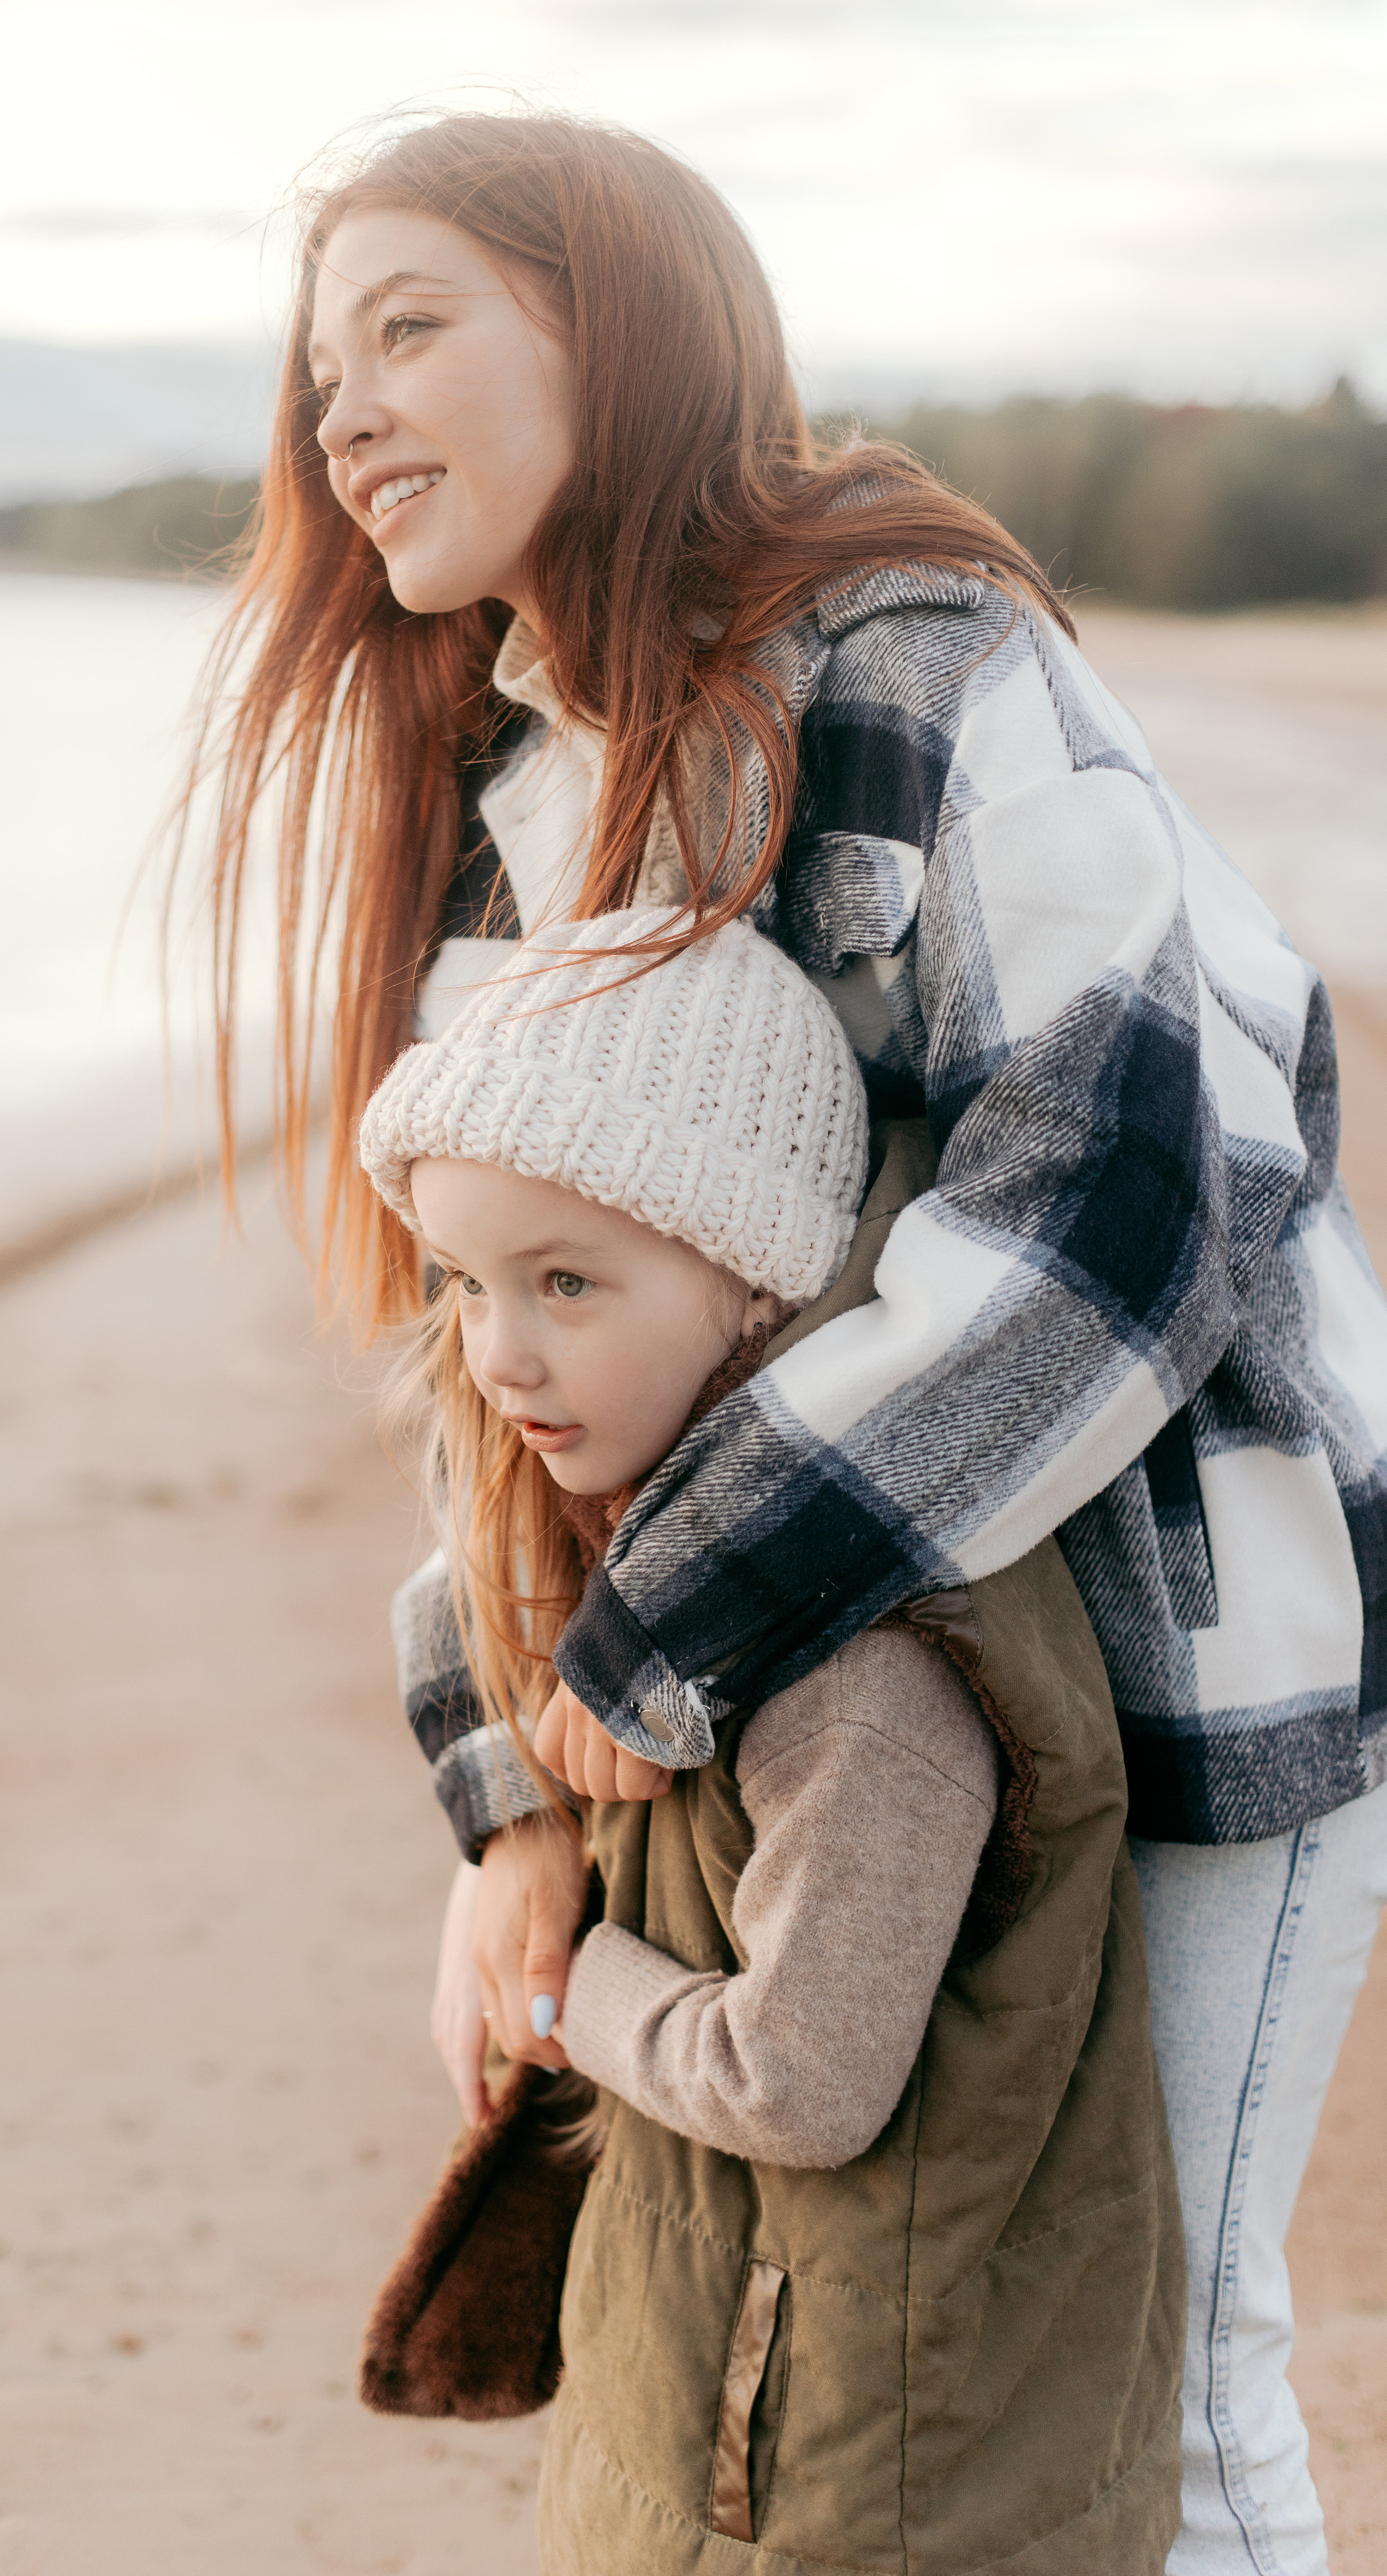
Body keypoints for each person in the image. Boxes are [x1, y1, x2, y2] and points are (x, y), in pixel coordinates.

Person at [197, 109, 1387, 2573]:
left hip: (1192, 1657)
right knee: (889, 2360)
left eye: (412, 327)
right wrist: (509, 1788)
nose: (345, 416)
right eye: (323, 372)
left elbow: (1119, 1203)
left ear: (616, 331)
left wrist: (642, 1657)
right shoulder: (523, 776)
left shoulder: (925, 662)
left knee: (1162, 2384)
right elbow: (509, 1316)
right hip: (830, 1666)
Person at [357, 905, 1184, 2569]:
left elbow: (798, 2080)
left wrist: (555, 1989)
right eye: (468, 1283)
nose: (501, 1351)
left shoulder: (856, 1661)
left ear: (753, 1278)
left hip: (849, 2472)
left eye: (568, 1282)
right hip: (727, 2385)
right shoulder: (660, 1550)